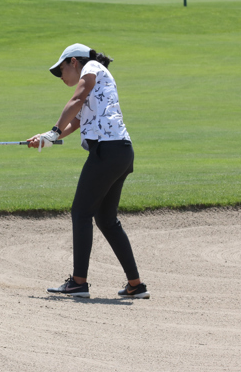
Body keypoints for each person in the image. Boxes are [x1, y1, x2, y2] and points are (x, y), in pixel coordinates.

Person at [27, 43, 149, 299]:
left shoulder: (92, 68)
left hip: (107, 152)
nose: (61, 77)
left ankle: (78, 282)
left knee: (81, 212)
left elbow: (77, 99)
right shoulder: (97, 80)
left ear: (73, 62)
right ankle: (135, 285)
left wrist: (54, 130)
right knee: (106, 220)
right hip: (121, 153)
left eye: (60, 70)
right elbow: (78, 119)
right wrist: (47, 138)